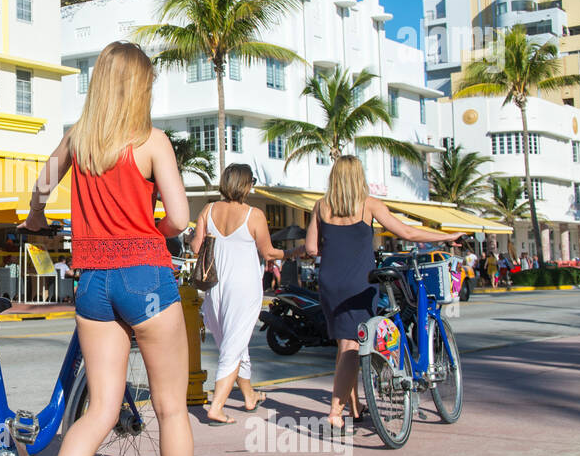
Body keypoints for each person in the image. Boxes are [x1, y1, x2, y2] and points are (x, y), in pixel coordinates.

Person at [20, 40, 214, 456]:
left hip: (92, 283)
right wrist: (152, 230)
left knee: (101, 407)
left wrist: (37, 217)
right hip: (145, 277)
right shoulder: (152, 142)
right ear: (140, 87)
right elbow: (177, 217)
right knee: (171, 407)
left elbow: (38, 187)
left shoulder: (76, 141)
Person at [306, 156, 462, 429]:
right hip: (359, 282)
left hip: (329, 282)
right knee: (352, 345)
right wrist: (445, 238)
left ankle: (355, 408)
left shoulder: (321, 207)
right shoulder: (368, 205)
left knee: (346, 345)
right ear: (358, 177)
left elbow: (310, 249)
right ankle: (335, 411)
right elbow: (406, 232)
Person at [191, 163, 285, 425]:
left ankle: (249, 396)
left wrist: (195, 238)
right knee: (233, 346)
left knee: (233, 342)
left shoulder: (208, 209)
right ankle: (217, 407)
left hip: (215, 287)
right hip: (244, 288)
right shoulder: (253, 214)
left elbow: (197, 246)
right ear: (246, 184)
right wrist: (291, 253)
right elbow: (267, 253)